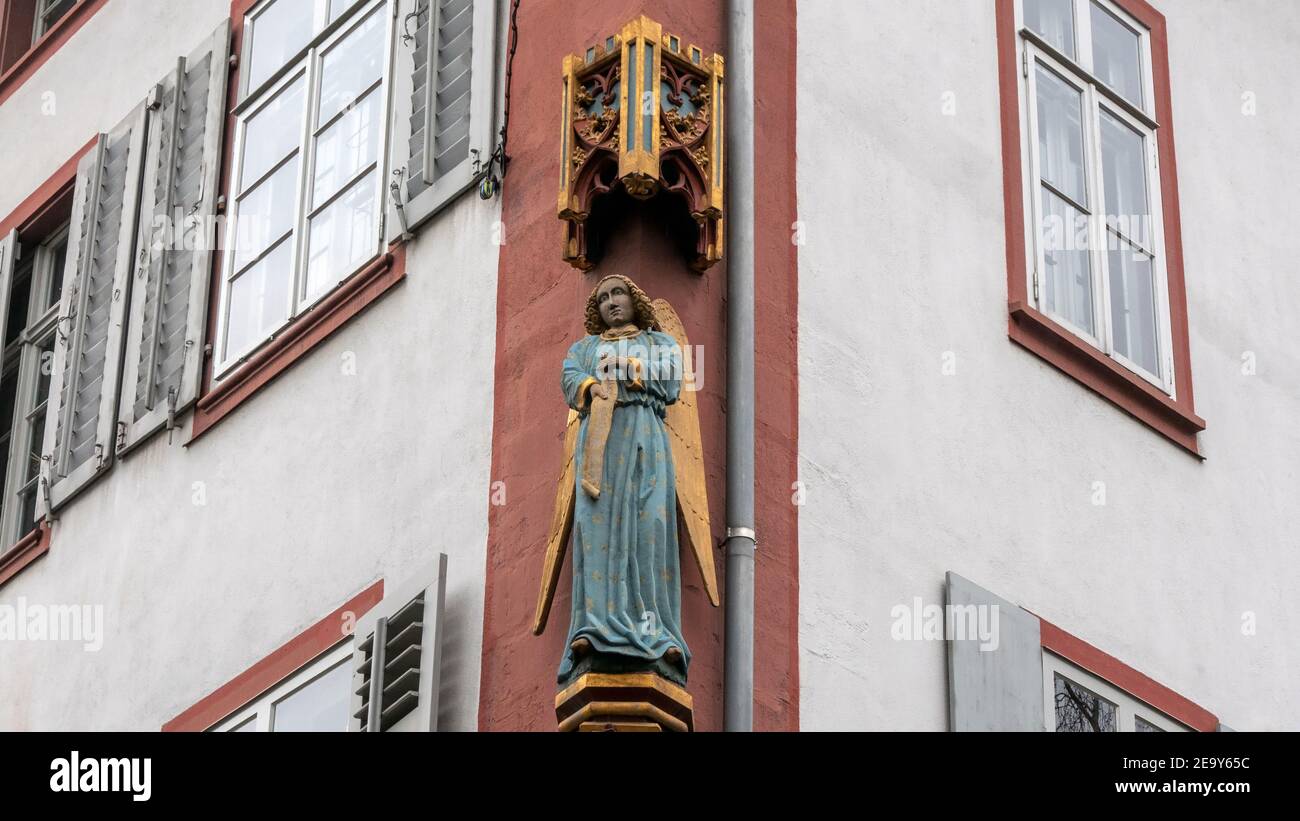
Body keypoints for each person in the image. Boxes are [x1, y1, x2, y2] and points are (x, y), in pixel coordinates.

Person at [557, 274, 690, 685]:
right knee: (595, 531)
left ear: (635, 299)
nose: (611, 303)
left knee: (649, 528)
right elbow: (569, 377)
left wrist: (629, 369)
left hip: (646, 439)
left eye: (618, 294)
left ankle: (657, 630)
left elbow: (670, 382)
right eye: (602, 298)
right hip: (601, 442)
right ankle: (594, 628)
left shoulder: (659, 343)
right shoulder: (586, 348)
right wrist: (591, 385)